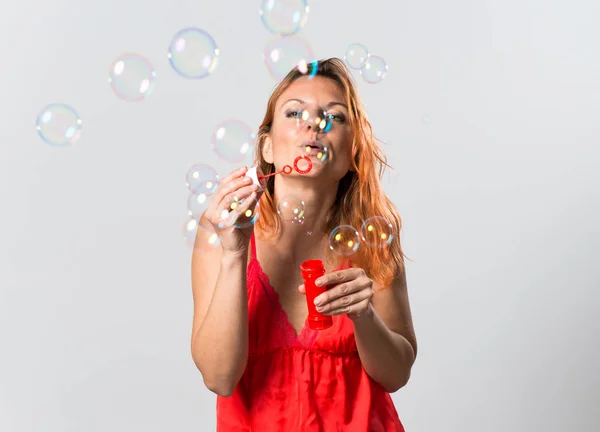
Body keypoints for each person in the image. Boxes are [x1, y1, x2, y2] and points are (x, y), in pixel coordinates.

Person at [190, 58, 418, 431]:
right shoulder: (223, 229)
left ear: (352, 154)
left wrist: (364, 316)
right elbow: (219, 377)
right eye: (294, 112)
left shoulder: (373, 235)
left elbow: (396, 375)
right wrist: (235, 254)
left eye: (336, 117)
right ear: (266, 148)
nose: (314, 123)